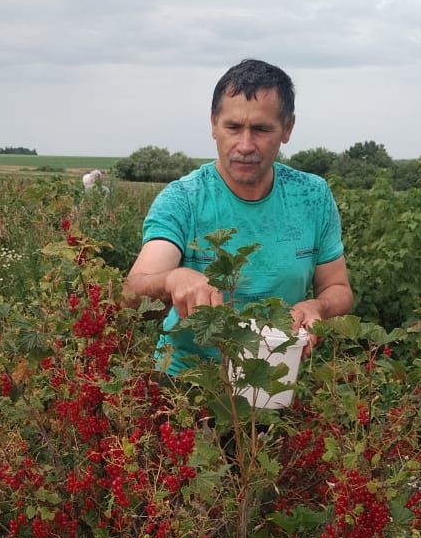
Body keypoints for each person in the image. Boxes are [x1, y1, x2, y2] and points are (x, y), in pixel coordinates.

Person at [125, 59, 353, 372]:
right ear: (213, 124)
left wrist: (318, 307)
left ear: (287, 129)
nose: (245, 145)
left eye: (261, 129)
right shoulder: (183, 199)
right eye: (233, 127)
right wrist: (172, 279)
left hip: (276, 380)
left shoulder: (311, 195)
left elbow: (338, 288)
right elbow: (132, 291)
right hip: (187, 388)